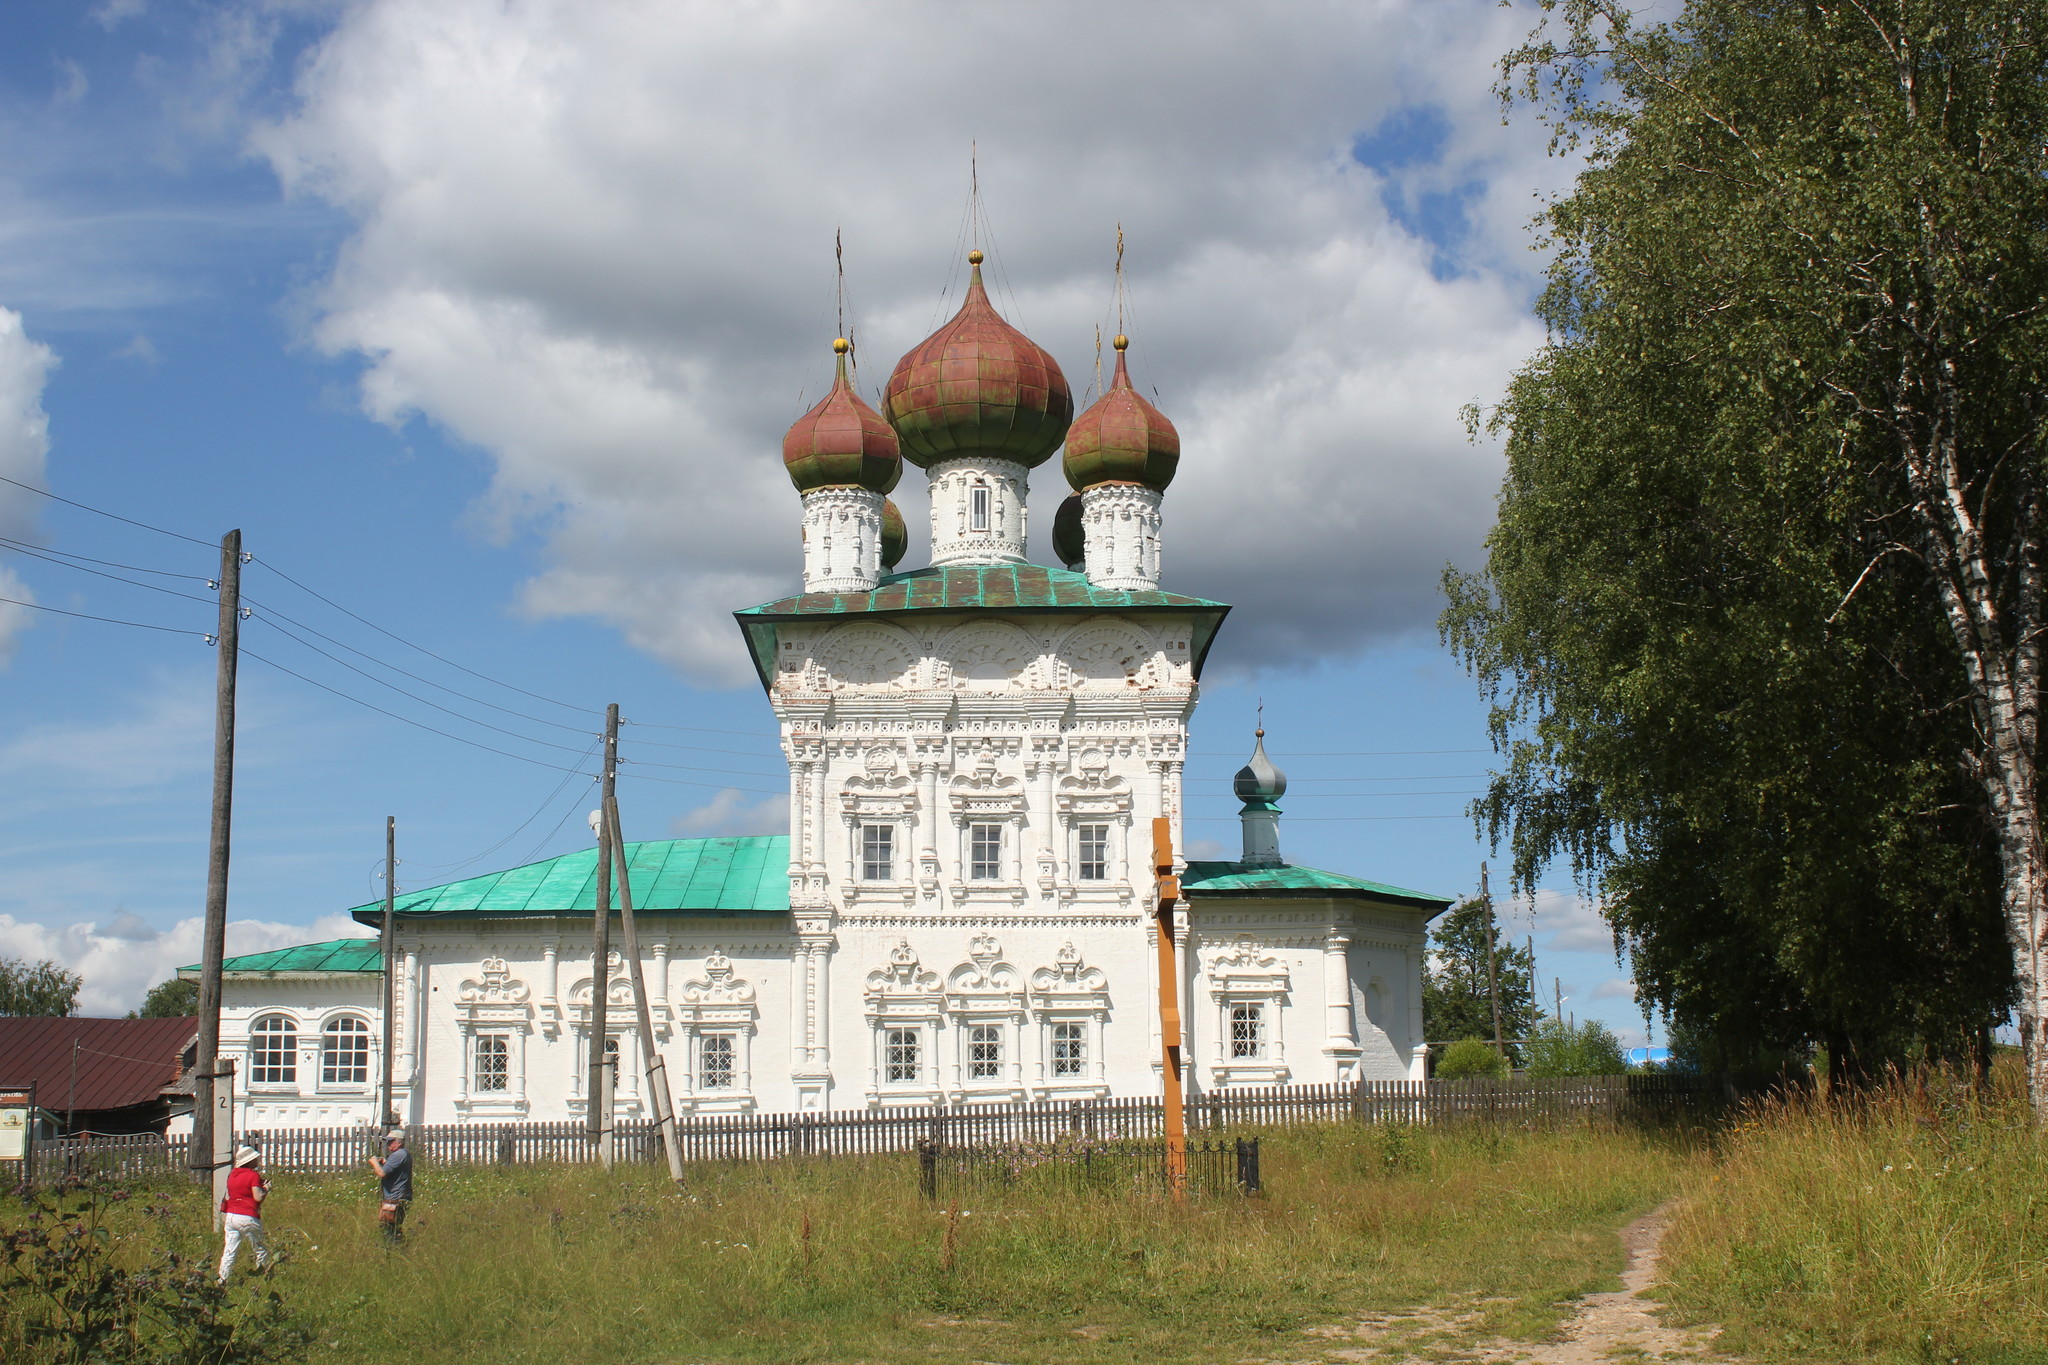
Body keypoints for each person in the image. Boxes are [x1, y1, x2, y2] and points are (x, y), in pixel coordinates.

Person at [218, 1145, 271, 1283]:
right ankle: (264, 1276)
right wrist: (266, 1188)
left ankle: (223, 1279)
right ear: (249, 1161)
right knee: (260, 1248)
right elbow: (258, 1197)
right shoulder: (253, 1175)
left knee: (230, 1250)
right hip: (247, 1216)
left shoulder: (233, 1174)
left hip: (231, 1215)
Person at [369, 1128, 412, 1243]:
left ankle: (394, 1250)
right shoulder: (405, 1154)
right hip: (401, 1197)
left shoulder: (397, 1155)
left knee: (388, 1229)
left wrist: (374, 1163)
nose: (388, 1144)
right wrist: (385, 1162)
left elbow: (382, 1173)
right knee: (395, 1228)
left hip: (394, 1199)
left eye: (391, 1141)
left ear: (399, 1142)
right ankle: (401, 1249)